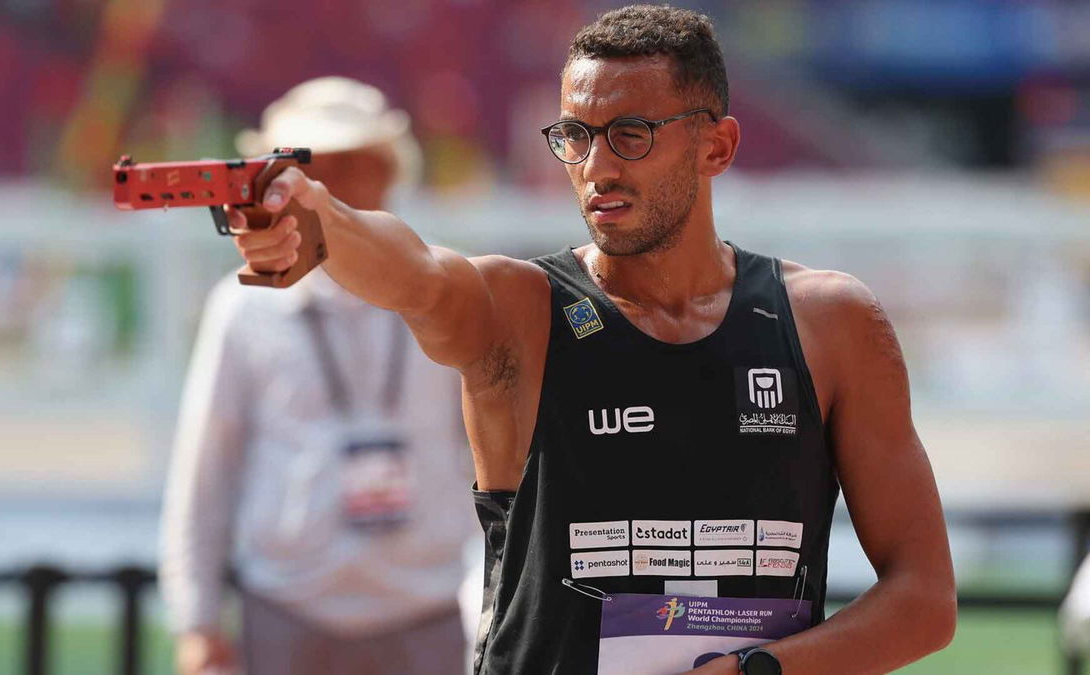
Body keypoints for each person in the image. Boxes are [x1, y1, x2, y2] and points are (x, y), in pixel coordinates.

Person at [227, 6, 957, 674]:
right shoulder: (521, 310)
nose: (597, 168)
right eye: (574, 136)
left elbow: (925, 598)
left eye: (631, 135)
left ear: (718, 145)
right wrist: (316, 215)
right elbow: (418, 273)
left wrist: (758, 671)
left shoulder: (830, 322)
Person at [159, 76, 475, 675]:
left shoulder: (446, 289)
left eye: (349, 163)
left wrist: (490, 600)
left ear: (386, 171)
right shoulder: (245, 305)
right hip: (287, 605)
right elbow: (206, 469)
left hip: (428, 604)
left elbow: (496, 465)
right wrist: (196, 621)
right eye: (308, 168)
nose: (327, 186)